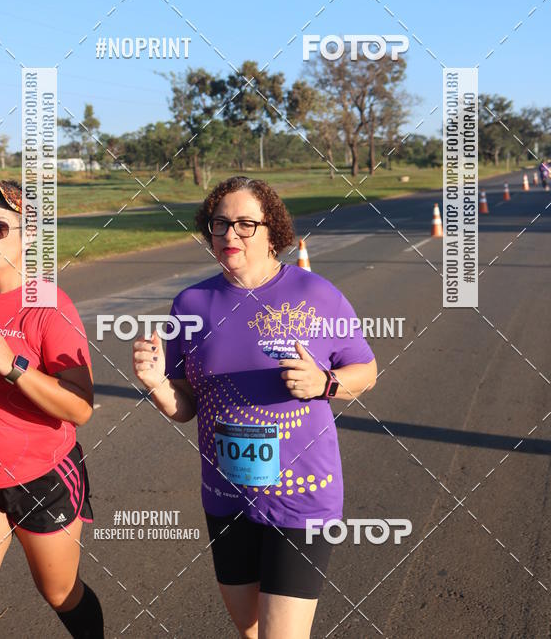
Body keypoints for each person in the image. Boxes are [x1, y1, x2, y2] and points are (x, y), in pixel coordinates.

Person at [133, 175, 377, 639]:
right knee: (250, 630)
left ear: (273, 232)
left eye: (246, 224)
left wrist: (324, 383)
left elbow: (366, 370)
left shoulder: (316, 294)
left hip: (302, 496)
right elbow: (185, 406)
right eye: (219, 224)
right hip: (226, 496)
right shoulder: (191, 304)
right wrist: (157, 384)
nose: (230, 234)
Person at [0, 176, 104, 639]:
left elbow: (79, 408)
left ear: (29, 235)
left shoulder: (49, 307)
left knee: (59, 592)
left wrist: (13, 366)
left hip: (42, 478)